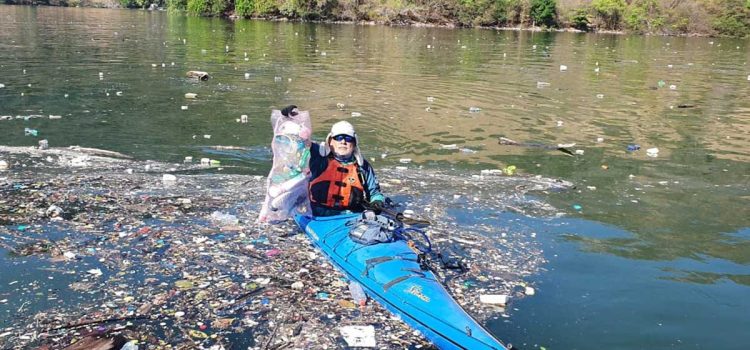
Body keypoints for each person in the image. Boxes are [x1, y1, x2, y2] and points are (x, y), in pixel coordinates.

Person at [281, 105, 385, 217]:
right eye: (339, 138)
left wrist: (377, 202)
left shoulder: (363, 167)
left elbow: (374, 193)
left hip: (351, 215)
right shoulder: (318, 157)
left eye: (348, 139)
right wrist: (292, 119)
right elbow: (299, 140)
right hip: (318, 214)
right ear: (330, 141)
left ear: (354, 144)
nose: (343, 142)